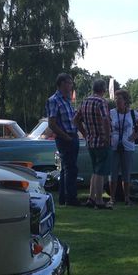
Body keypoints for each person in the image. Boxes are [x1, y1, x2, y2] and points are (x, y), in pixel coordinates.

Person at [74, 79, 112, 210]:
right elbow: (106, 120)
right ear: (103, 89)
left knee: (95, 170)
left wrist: (84, 133)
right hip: (101, 141)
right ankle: (99, 201)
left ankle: (91, 198)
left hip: (90, 141)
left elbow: (76, 120)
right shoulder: (101, 102)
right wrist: (107, 137)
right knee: (100, 171)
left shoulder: (85, 101)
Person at [46, 73, 81, 206]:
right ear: (62, 84)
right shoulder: (54, 100)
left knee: (67, 169)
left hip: (72, 136)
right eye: (69, 83)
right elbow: (52, 123)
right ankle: (71, 199)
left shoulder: (66, 100)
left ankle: (64, 198)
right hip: (65, 138)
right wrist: (66, 137)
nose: (71, 85)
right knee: (71, 169)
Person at [109, 89, 138, 206]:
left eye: (119, 99)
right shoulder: (111, 113)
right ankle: (112, 199)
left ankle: (127, 198)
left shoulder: (132, 113)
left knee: (126, 173)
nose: (117, 101)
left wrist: (136, 134)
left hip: (128, 146)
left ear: (125, 101)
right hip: (114, 146)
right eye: (116, 99)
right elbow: (106, 125)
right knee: (113, 173)